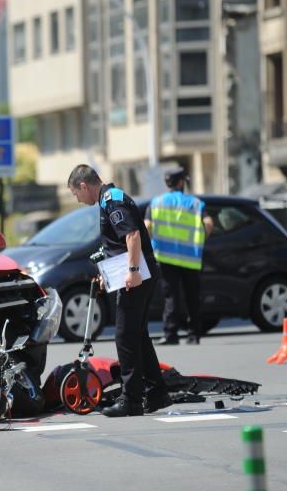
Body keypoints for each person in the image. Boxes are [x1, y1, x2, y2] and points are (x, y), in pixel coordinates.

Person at [67, 164, 172, 417]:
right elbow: (117, 245)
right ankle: (157, 393)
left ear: (84, 186)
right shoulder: (107, 201)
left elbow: (133, 236)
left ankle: (132, 400)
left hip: (138, 276)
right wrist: (109, 275)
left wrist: (133, 271)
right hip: (136, 274)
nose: (78, 200)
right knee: (137, 335)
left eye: (75, 194)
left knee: (125, 336)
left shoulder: (112, 201)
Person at [144, 167, 214, 345]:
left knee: (171, 296)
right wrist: (201, 240)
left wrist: (154, 242)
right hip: (191, 257)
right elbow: (209, 224)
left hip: (166, 257)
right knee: (192, 296)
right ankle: (194, 334)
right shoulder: (195, 203)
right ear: (181, 183)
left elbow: (146, 227)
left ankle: (171, 334)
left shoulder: (156, 202)